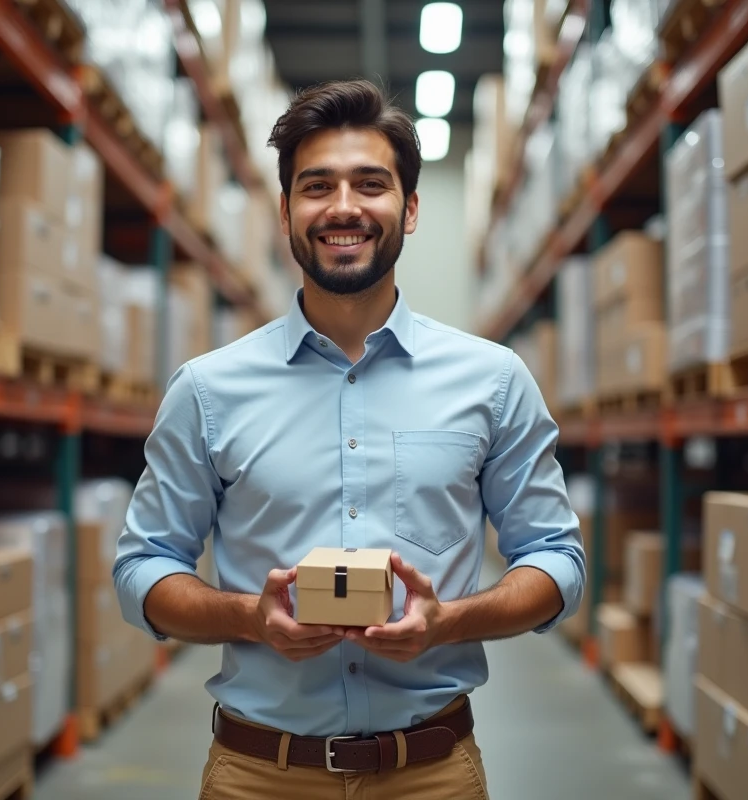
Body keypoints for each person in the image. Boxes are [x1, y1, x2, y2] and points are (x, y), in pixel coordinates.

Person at [113, 78, 585, 800]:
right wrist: (250, 616)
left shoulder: (493, 380)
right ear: (285, 211)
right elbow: (144, 568)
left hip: (431, 773)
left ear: (411, 208)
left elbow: (556, 560)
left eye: (371, 184)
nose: (343, 208)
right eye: (316, 186)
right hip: (256, 775)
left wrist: (447, 623)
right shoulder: (208, 389)